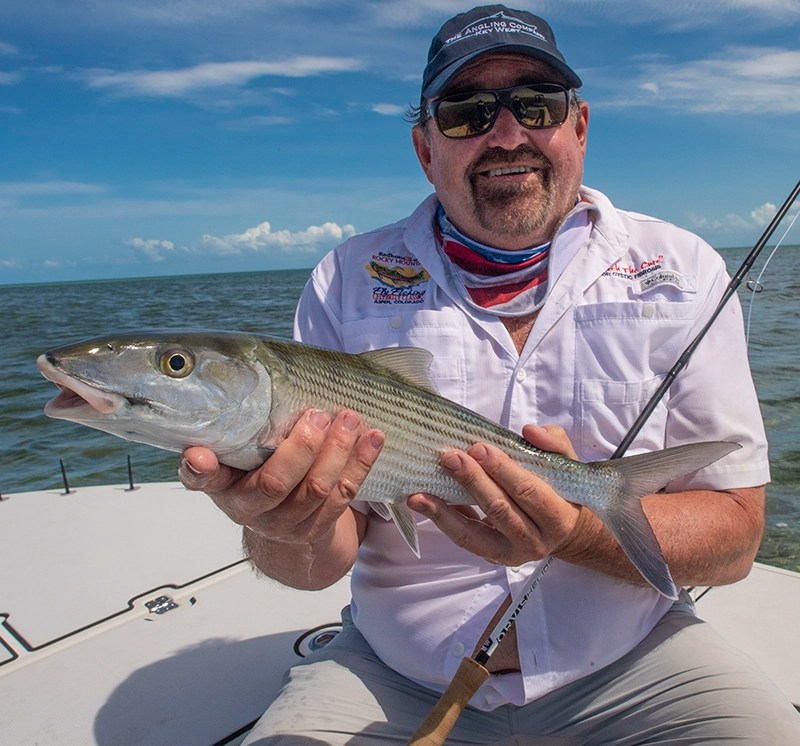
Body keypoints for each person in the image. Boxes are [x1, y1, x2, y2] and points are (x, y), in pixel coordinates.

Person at [181, 5, 800, 743]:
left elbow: (735, 538)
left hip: (632, 660)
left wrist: (575, 530)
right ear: (425, 148)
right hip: (395, 673)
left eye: (536, 104)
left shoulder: (682, 268)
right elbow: (317, 564)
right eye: (466, 112)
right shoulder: (345, 279)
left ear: (579, 127)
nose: (506, 134)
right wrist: (277, 525)